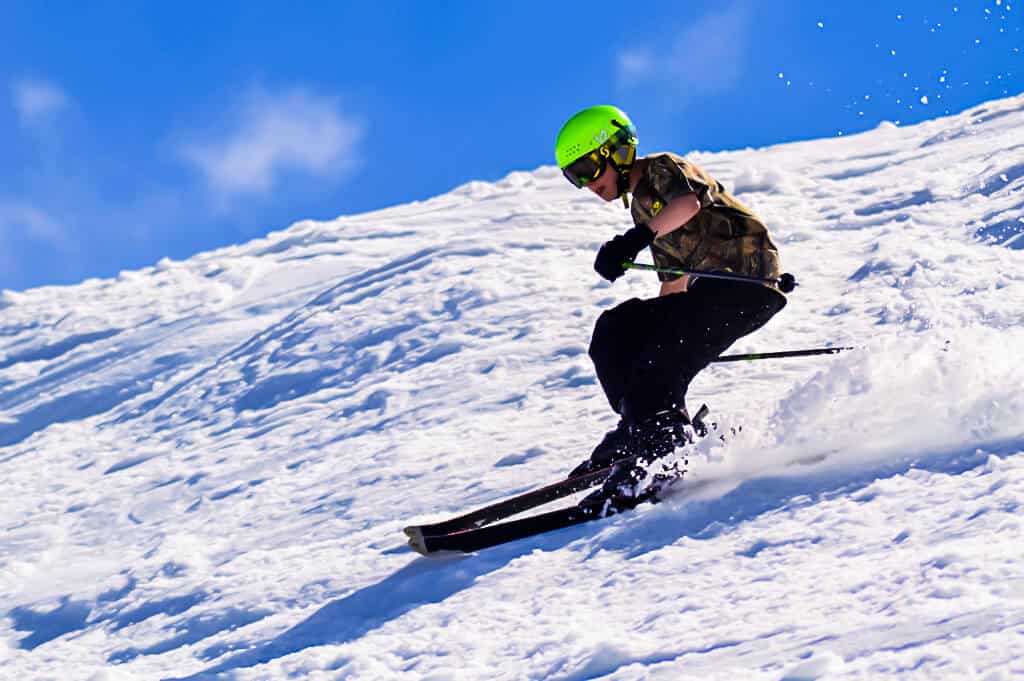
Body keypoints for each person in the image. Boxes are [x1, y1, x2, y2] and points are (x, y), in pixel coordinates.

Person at [554, 105, 787, 502]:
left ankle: (662, 446)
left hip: (742, 287)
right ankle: (642, 426)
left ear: (617, 150)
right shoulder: (642, 207)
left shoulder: (662, 169)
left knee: (654, 368)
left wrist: (634, 239)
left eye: (590, 168)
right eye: (575, 177)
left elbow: (688, 205)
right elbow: (673, 284)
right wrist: (653, 344)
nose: (588, 184)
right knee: (616, 330)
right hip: (704, 297)